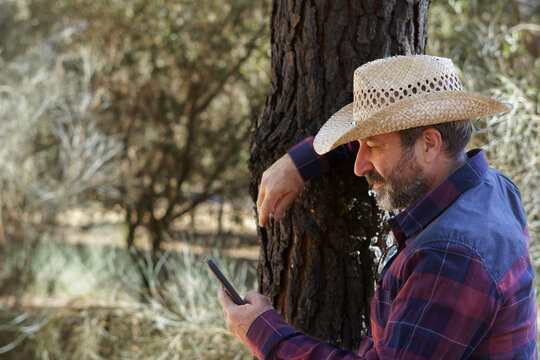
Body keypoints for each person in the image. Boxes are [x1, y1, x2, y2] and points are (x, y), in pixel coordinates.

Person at [218, 55, 538, 359]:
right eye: (359, 145)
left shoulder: (450, 254)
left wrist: (263, 332)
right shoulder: (492, 187)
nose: (358, 166)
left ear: (429, 144)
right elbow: (385, 146)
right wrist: (299, 163)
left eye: (372, 146)